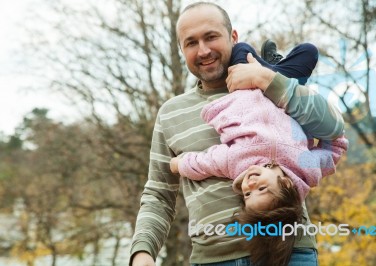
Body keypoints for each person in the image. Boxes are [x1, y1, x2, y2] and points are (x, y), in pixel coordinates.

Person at [130, 2, 345, 266]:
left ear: (233, 37)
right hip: (213, 258)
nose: (204, 50)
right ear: (182, 50)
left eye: (211, 37)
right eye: (191, 43)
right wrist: (142, 252)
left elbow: (334, 127)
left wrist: (267, 79)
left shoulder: (273, 88)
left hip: (290, 251)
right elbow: (158, 195)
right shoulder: (170, 113)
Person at [169, 42, 348, 265]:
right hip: (275, 91)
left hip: (241, 89)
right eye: (262, 188)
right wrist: (314, 127)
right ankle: (270, 67)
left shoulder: (236, 162)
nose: (250, 186)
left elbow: (203, 163)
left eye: (247, 195)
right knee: (310, 51)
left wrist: (177, 164)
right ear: (287, 184)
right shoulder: (307, 167)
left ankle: (270, 65)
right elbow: (336, 146)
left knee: (241, 49)